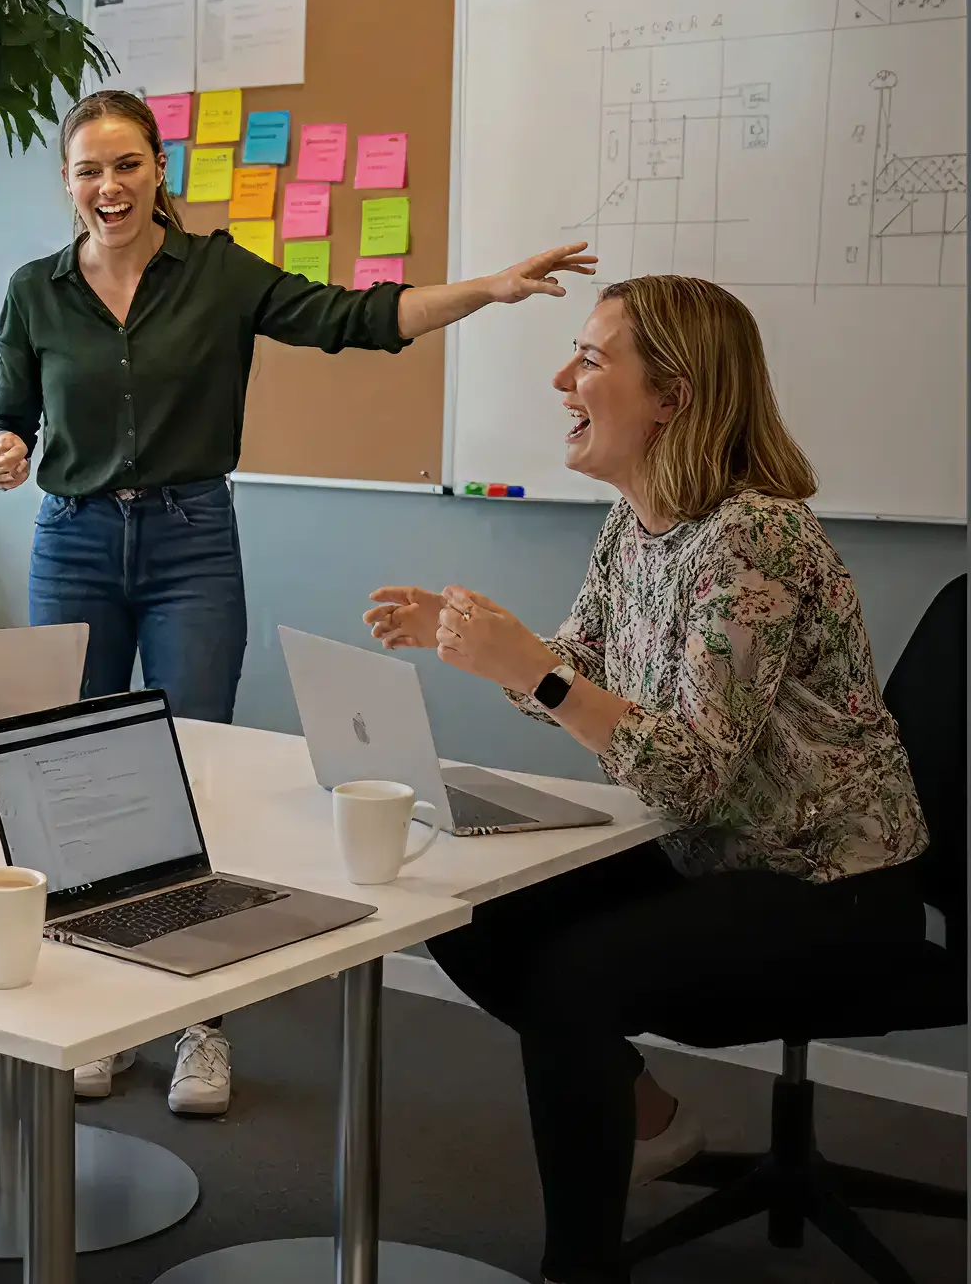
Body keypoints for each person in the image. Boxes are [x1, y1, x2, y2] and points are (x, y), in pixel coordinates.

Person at [0, 88, 597, 1114]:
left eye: (126, 164)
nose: (108, 187)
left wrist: (484, 289)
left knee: (193, 765)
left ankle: (196, 1020)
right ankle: (93, 1007)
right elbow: (8, 410)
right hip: (72, 541)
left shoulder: (217, 275)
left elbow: (353, 318)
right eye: (88, 169)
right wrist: (0, 447)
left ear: (157, 171)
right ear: (66, 183)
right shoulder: (33, 291)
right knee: (79, 773)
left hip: (187, 541)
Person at [364, 276, 929, 1284]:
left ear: (669, 396)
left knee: (573, 978)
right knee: (468, 910)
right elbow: (572, 672)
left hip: (831, 887)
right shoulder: (637, 524)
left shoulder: (752, 542)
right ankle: (649, 1118)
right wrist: (481, 642)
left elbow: (692, 773)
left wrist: (524, 666)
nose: (558, 378)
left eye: (587, 358)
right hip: (710, 854)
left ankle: (575, 1268)